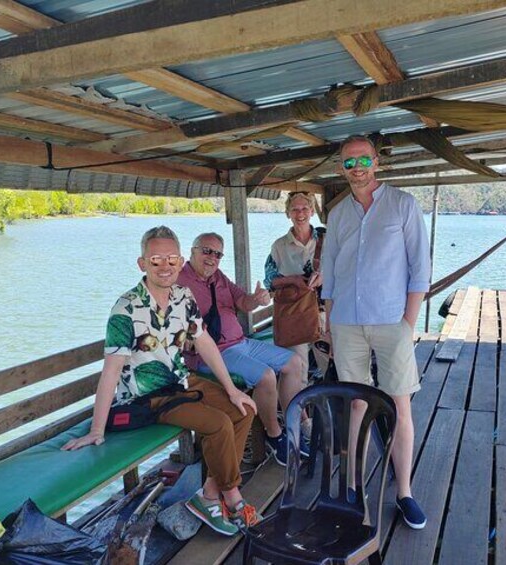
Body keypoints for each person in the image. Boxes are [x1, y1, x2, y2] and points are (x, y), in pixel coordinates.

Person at [62, 226, 260, 536]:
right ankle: (232, 497)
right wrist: (97, 430)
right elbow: (111, 371)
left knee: (245, 409)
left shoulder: (183, 297)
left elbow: (204, 341)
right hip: (149, 396)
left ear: (181, 262)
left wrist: (232, 390)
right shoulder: (126, 308)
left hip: (182, 382)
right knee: (219, 423)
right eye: (156, 260)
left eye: (171, 259)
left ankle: (208, 494)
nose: (164, 266)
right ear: (142, 264)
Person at [320, 135, 431, 530]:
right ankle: (353, 487)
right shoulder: (336, 215)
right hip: (346, 322)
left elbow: (421, 269)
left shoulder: (403, 205)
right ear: (340, 169)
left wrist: (408, 324)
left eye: (363, 160)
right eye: (349, 163)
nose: (357, 169)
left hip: (392, 322)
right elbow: (329, 275)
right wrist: (329, 324)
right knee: (356, 404)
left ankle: (404, 492)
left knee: (400, 406)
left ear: (377, 162)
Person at [177, 232, 307, 466]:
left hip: (241, 342)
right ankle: (274, 435)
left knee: (294, 363)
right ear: (192, 251)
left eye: (217, 254)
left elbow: (243, 302)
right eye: (206, 251)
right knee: (266, 376)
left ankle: (293, 426)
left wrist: (256, 300)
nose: (211, 258)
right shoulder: (179, 282)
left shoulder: (219, 278)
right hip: (212, 353)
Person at [264, 191, 329, 384]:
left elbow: (343, 270)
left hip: (325, 313)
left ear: (311, 211)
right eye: (295, 209)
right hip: (296, 314)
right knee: (298, 371)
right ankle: (300, 414)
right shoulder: (279, 246)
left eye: (304, 209)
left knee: (331, 365)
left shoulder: (327, 240)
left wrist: (324, 276)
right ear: (288, 213)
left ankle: (332, 408)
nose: (300, 213)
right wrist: (293, 280)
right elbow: (269, 281)